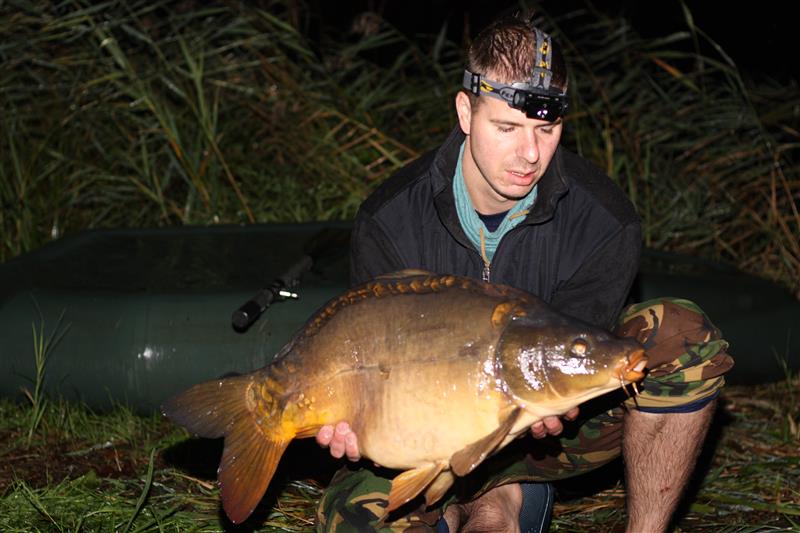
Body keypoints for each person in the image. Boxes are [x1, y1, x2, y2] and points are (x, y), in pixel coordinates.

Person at [315, 14, 733, 533]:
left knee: (681, 335)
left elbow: (571, 359)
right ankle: (481, 504)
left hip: (544, 441)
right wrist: (355, 419)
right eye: (507, 128)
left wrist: (548, 401)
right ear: (465, 112)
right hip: (420, 434)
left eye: (546, 129)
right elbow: (366, 363)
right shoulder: (389, 219)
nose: (530, 154)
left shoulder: (605, 221)